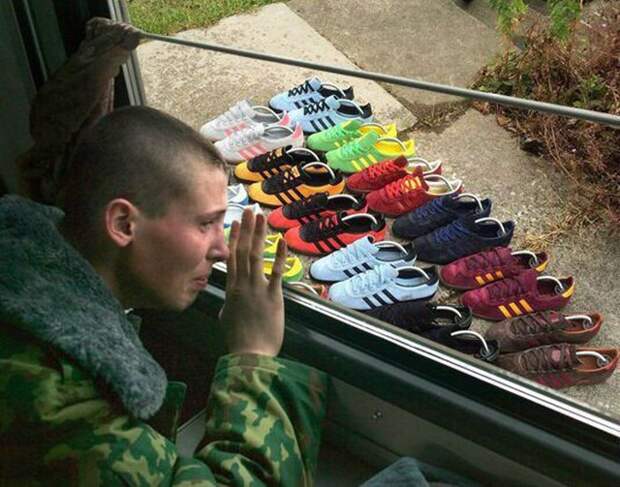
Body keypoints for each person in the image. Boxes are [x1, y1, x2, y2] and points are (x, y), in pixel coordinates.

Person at [0, 106, 328, 485]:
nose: (222, 250)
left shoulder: (26, 284)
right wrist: (254, 355)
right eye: (205, 223)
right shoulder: (61, 403)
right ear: (124, 224)